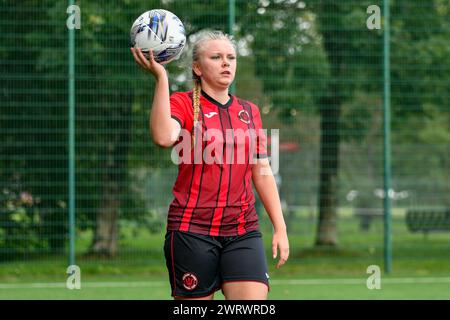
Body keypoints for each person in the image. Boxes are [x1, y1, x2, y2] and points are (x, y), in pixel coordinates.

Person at [130, 30, 289, 300]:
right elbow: (163, 136)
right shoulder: (182, 102)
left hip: (242, 230)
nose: (226, 63)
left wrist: (280, 227)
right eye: (216, 57)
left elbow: (261, 173)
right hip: (192, 231)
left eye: (231, 57)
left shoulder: (249, 112)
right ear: (197, 67)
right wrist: (161, 78)